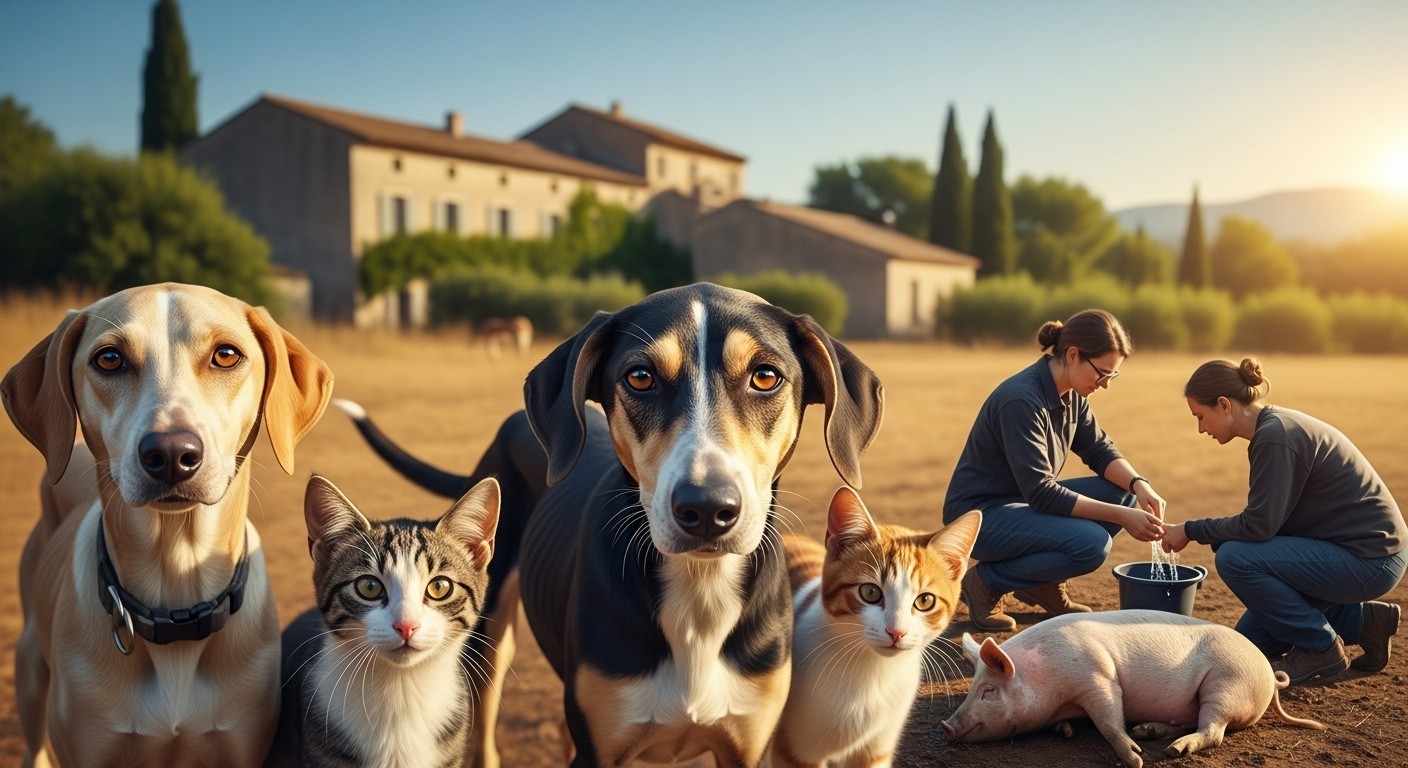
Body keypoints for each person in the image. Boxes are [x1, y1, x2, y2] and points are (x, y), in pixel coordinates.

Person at [1162, 357, 1405, 683]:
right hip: (1354, 552)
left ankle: (1322, 648)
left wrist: (1192, 530)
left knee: (1236, 558)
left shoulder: (1275, 437)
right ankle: (1365, 622)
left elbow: (1258, 527)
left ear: (1224, 405)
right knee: (1250, 643)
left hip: (1370, 559)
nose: (1201, 428)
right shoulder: (1273, 427)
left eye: (1200, 417)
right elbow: (1269, 524)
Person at [944, 309, 1167, 631]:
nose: (1105, 385)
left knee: (1123, 495)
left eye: (1112, 376)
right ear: (1073, 355)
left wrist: (1139, 484)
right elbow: (1041, 492)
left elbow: (1098, 449)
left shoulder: (1071, 394)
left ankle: (1041, 583)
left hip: (1021, 506)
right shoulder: (1021, 399)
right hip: (979, 517)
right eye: (1102, 373)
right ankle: (985, 582)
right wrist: (1121, 518)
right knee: (1091, 544)